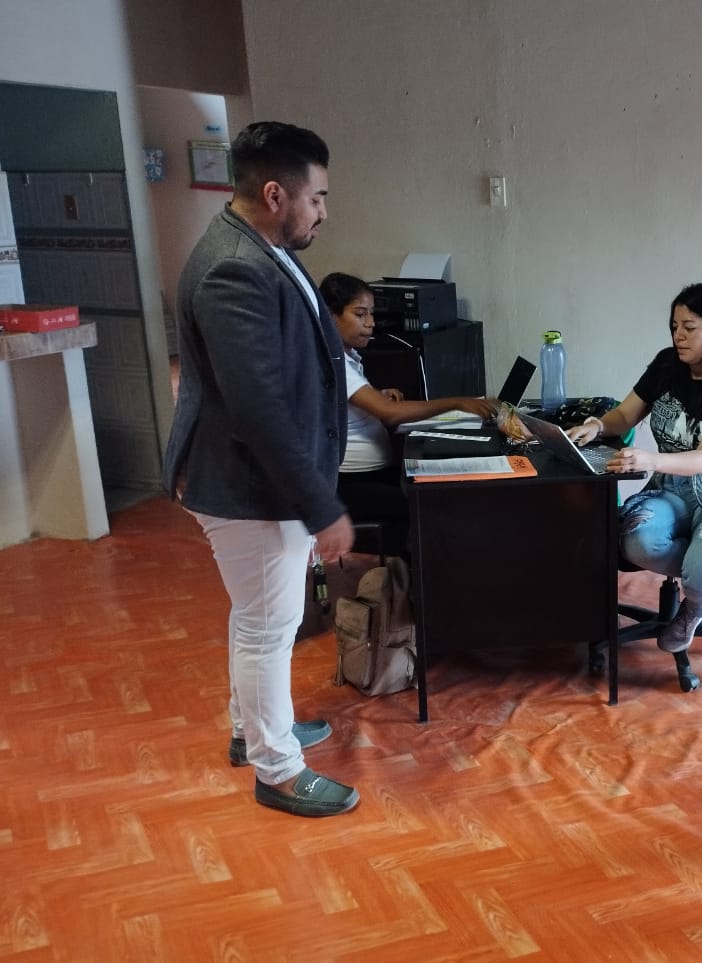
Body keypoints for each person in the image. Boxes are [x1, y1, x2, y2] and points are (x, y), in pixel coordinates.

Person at [163, 121, 359, 818]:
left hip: (259, 481)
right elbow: (257, 409)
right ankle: (277, 769)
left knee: (258, 618)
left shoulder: (260, 248)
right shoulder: (233, 268)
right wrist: (320, 505)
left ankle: (253, 730)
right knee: (269, 626)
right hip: (250, 485)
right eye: (317, 197)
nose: (323, 212)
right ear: (276, 194)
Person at [567, 283, 702, 687]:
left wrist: (651, 459)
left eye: (690, 327)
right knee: (635, 542)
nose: (679, 336)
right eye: (674, 326)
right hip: (673, 485)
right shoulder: (666, 364)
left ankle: (696, 605)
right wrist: (596, 426)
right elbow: (625, 416)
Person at [319, 272, 497, 558]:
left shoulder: (347, 356)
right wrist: (457, 402)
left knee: (432, 493)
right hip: (351, 484)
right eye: (360, 314)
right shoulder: (333, 361)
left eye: (372, 314)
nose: (370, 323)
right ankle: (412, 577)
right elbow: (389, 414)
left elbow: (350, 402)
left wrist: (378, 394)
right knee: (427, 507)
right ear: (330, 316)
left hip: (373, 474)